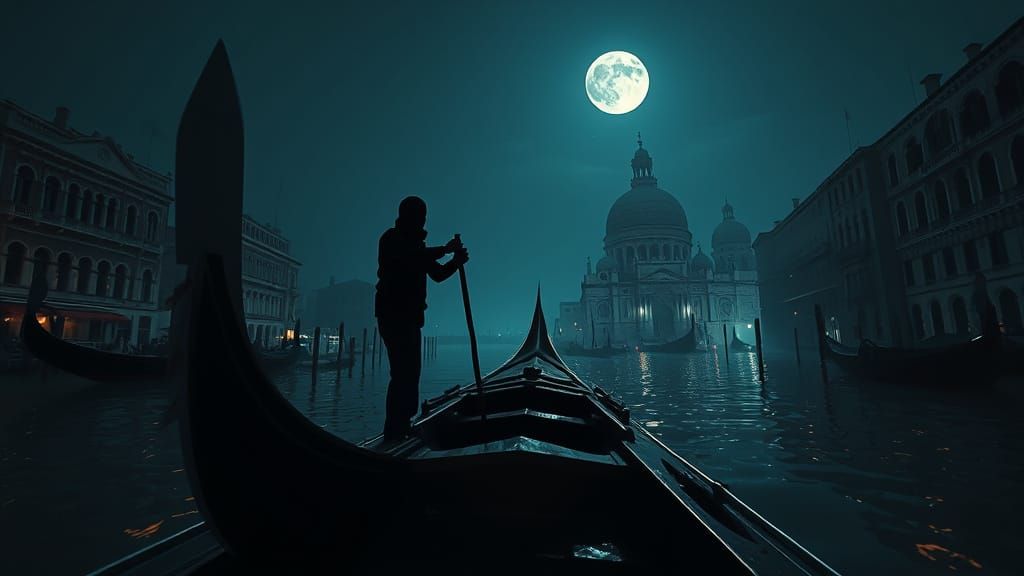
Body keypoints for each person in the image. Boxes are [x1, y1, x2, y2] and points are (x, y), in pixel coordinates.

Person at [375, 196, 468, 441]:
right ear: (410, 217)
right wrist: (446, 251)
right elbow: (413, 258)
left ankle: (402, 423)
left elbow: (436, 274)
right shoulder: (392, 239)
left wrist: (455, 263)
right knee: (402, 373)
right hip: (394, 316)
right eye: (420, 217)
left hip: (410, 318)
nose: (422, 221)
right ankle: (395, 429)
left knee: (410, 373)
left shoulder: (416, 246)